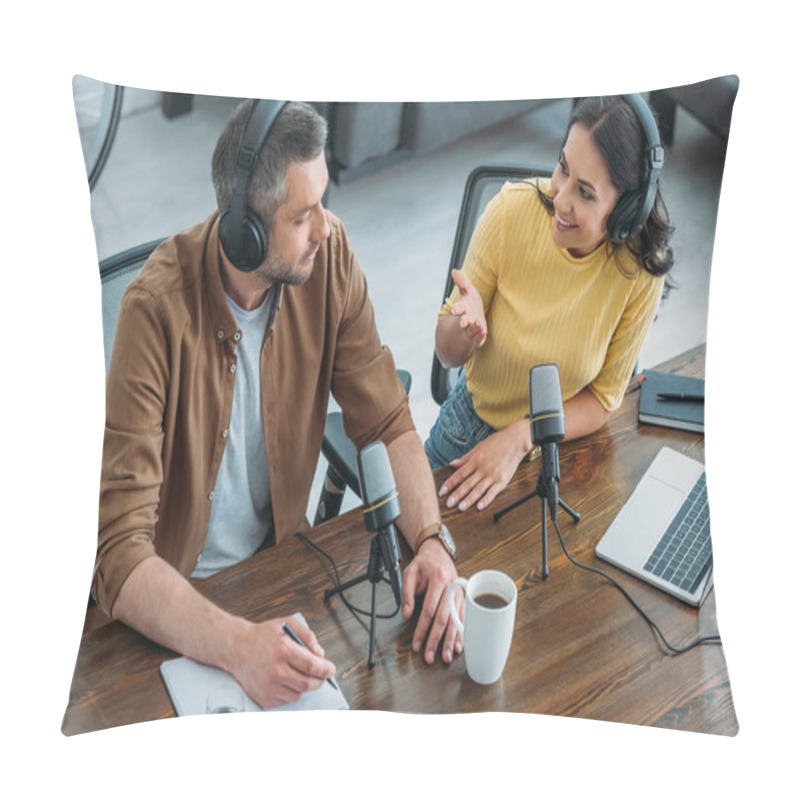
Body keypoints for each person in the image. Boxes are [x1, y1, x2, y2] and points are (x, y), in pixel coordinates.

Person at [92, 100, 460, 710]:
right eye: (304, 215)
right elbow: (119, 554)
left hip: (281, 568)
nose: (326, 226)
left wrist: (429, 539)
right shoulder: (154, 311)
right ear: (248, 233)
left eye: (325, 201)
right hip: (176, 603)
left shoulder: (329, 255)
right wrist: (239, 646)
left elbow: (387, 419)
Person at [425, 94, 674, 513]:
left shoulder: (641, 271)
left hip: (559, 448)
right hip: (469, 433)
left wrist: (524, 436)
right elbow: (446, 354)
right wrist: (464, 332)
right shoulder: (510, 212)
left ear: (627, 212)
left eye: (586, 192)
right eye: (563, 167)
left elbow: (603, 399)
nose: (560, 198)